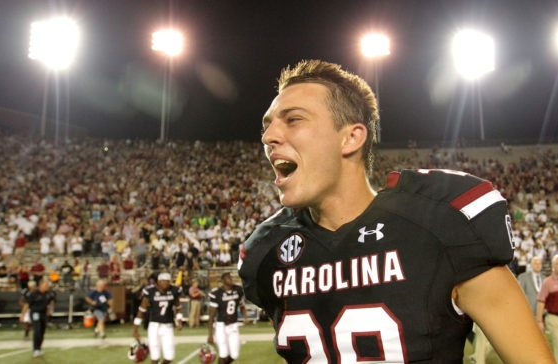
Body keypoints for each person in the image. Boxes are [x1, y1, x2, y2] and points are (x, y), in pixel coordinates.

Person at [238, 59, 552, 363]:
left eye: (293, 119)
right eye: (268, 125)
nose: (268, 137)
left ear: (351, 137)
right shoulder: (267, 251)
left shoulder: (439, 224)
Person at [132, 272, 182, 364]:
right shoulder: (150, 291)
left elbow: (178, 307)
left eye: (168, 281)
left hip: (168, 326)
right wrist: (135, 329)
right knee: (155, 356)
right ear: (158, 282)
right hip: (154, 326)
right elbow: (141, 310)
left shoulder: (174, 290)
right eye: (163, 281)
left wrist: (179, 320)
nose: (166, 283)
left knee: (169, 356)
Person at [207, 272, 248, 364]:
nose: (231, 279)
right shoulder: (216, 293)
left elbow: (241, 305)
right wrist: (210, 334)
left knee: (234, 355)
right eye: (228, 278)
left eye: (231, 278)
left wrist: (245, 316)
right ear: (223, 281)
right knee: (223, 354)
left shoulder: (238, 290)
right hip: (221, 327)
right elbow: (211, 316)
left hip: (233, 326)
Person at [21, 280, 56, 357]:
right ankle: (35, 349)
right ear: (40, 285)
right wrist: (23, 315)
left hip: (44, 314)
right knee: (37, 330)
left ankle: (39, 348)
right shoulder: (33, 294)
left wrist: (50, 309)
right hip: (35, 313)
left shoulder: (48, 294)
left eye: (47, 285)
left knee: (42, 332)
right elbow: (27, 304)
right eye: (45, 285)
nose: (47, 287)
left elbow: (52, 301)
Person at [537, 255, 558, 361]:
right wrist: (539, 321)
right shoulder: (547, 282)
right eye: (557, 263)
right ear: (553, 266)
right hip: (553, 318)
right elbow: (541, 302)